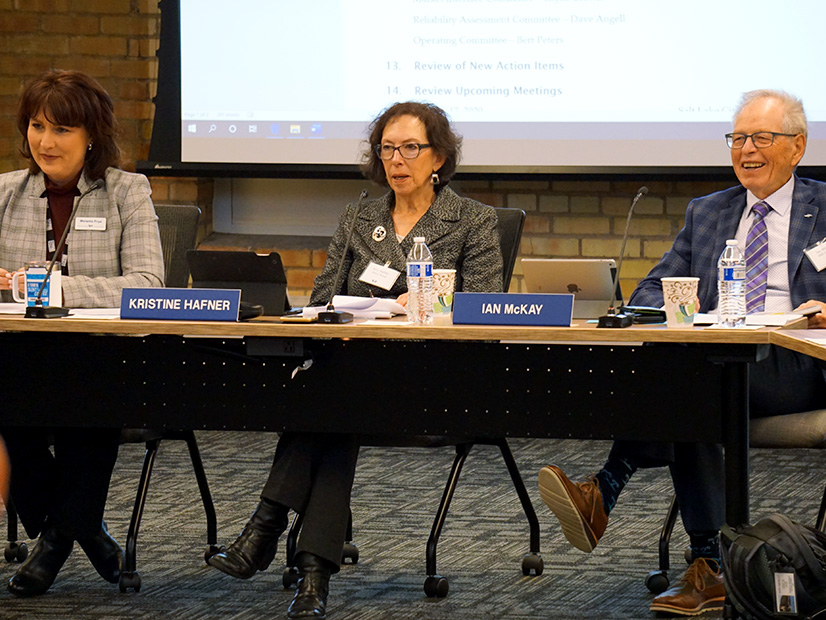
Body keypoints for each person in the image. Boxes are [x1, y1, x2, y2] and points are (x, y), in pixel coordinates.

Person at [207, 101, 503, 619]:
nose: (397, 159)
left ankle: (266, 526)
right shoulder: (360, 216)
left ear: (439, 157)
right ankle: (314, 574)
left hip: (430, 377)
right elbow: (321, 299)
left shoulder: (472, 221)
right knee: (337, 401)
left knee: (327, 399)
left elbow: (486, 309)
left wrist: (432, 305)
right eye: (388, 148)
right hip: (353, 373)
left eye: (411, 147)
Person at [538, 89, 826, 617]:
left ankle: (609, 490)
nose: (747, 150)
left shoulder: (825, 208)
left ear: (797, 147)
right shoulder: (709, 211)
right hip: (716, 358)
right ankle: (707, 568)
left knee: (691, 383)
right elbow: (652, 288)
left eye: (761, 138)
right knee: (692, 382)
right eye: (737, 139)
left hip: (796, 362)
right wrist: (665, 309)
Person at [0, 69, 165, 596]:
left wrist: (58, 289)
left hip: (102, 356)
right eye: (36, 126)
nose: (45, 142)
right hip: (17, 354)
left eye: (61, 130)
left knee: (88, 401)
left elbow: (148, 283)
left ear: (91, 134)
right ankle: (85, 530)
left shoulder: (127, 191)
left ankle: (52, 545)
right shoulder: (4, 192)